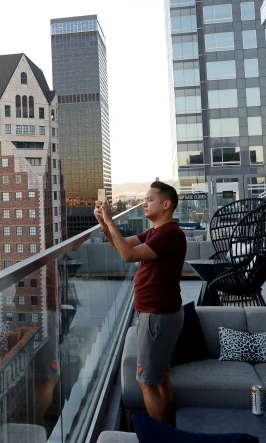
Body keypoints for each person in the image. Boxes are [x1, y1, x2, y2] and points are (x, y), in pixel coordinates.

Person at [94, 181, 186, 425]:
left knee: (146, 382)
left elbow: (128, 256)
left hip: (157, 316)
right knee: (160, 378)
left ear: (166, 204)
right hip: (160, 314)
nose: (144, 203)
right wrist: (104, 223)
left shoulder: (169, 234)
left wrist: (110, 221)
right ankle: (170, 431)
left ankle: (161, 437)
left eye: (149, 199)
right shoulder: (156, 232)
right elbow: (121, 245)